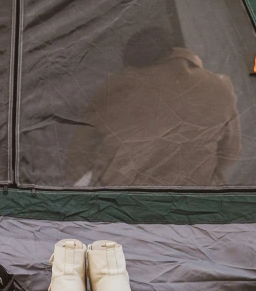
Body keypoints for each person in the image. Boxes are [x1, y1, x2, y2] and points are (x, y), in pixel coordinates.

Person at [66, 28, 241, 188]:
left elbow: (77, 157)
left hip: (125, 205)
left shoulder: (113, 89)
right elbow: (230, 153)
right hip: (195, 202)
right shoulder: (219, 86)